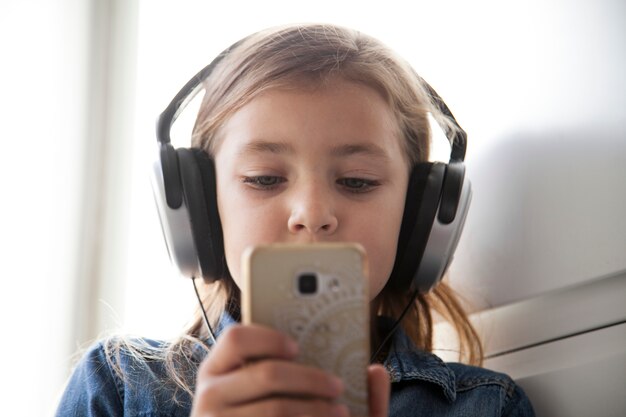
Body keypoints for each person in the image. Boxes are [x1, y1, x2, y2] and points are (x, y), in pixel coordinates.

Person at [55, 23, 535, 416]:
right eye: (264, 179)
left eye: (357, 181)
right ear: (200, 209)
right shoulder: (119, 387)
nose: (312, 214)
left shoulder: (487, 407)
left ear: (421, 220)